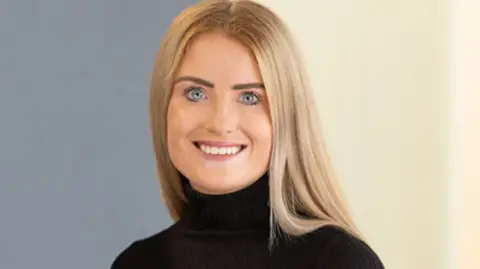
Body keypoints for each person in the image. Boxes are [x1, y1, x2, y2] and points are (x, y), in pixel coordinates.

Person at [111, 0, 385, 268]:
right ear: (163, 106)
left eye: (250, 97)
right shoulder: (136, 262)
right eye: (196, 93)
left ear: (287, 118)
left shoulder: (338, 261)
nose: (220, 123)